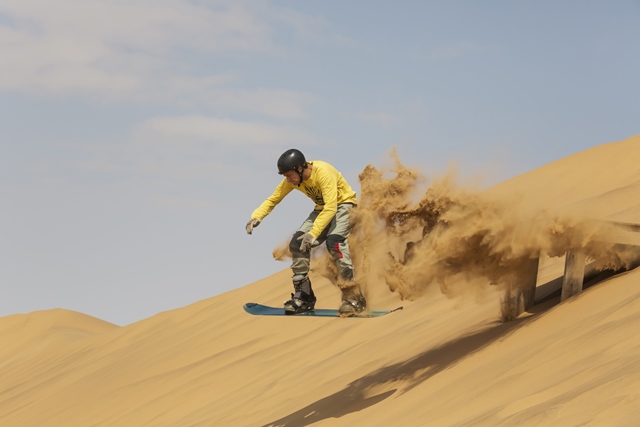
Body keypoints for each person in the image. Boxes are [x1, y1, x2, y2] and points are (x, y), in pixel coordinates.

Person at [245, 148, 366, 316]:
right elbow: (274, 199)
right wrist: (257, 216)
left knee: (334, 242)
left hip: (344, 205)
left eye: (289, 175)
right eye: (285, 176)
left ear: (300, 169)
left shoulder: (323, 172)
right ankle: (304, 297)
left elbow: (331, 207)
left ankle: (354, 297)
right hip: (322, 209)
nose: (288, 180)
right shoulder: (293, 180)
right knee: (297, 243)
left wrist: (313, 233)